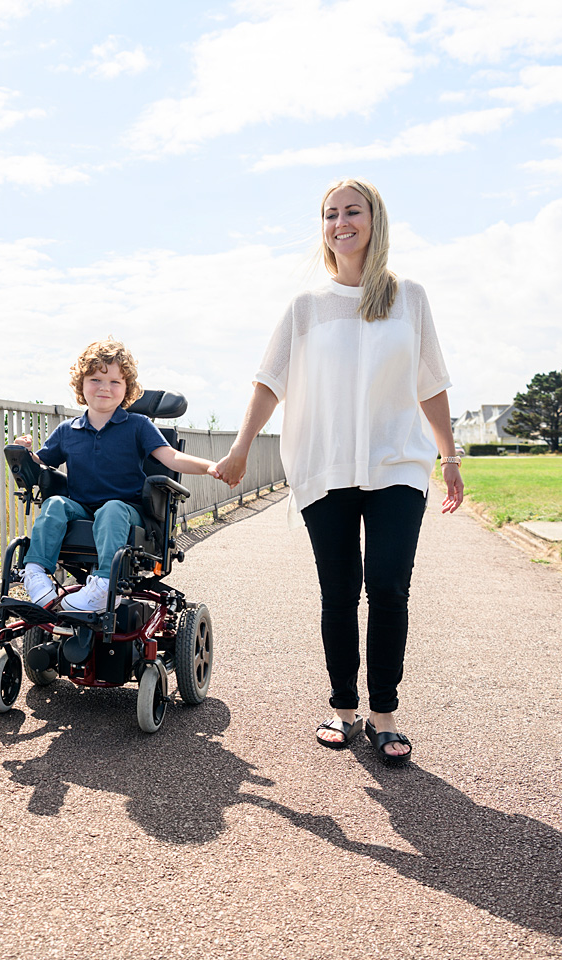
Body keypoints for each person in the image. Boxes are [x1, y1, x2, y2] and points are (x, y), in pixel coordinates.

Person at [210, 178, 463, 765]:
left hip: (396, 463)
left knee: (390, 588)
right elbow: (269, 382)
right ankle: (344, 707)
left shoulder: (410, 298)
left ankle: (385, 713)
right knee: (340, 591)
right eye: (331, 214)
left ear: (375, 221)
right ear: (323, 228)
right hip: (325, 467)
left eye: (353, 211)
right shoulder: (306, 308)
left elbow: (432, 385)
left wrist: (448, 456)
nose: (341, 222)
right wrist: (242, 448)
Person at [16, 338, 217, 614]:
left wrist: (210, 467)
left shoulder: (137, 425)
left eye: (114, 382)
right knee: (54, 505)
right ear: (81, 384)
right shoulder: (68, 430)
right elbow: (41, 462)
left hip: (128, 511)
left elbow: (170, 458)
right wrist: (23, 451)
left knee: (111, 510)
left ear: (127, 389)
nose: (104, 388)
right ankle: (36, 572)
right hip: (83, 509)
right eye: (96, 379)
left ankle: (103, 584)